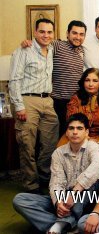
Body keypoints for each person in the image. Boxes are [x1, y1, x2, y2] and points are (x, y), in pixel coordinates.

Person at [13, 113, 99, 234]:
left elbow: (97, 167)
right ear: (66, 132)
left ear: (87, 132)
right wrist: (58, 202)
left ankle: (59, 225)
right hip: (66, 198)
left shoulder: (93, 147)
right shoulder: (58, 153)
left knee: (89, 186)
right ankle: (64, 224)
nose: (75, 132)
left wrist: (75, 193)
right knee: (20, 200)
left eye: (79, 128)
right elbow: (56, 181)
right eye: (71, 128)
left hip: (86, 197)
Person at [9, 18, 59, 193]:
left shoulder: (52, 49)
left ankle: (45, 179)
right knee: (27, 144)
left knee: (50, 143)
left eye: (49, 32)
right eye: (42, 31)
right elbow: (14, 80)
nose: (46, 35)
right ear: (35, 32)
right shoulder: (24, 50)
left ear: (53, 34)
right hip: (27, 100)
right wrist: (19, 106)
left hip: (47, 100)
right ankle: (31, 185)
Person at [20, 20, 89, 136]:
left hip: (75, 101)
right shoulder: (57, 45)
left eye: (81, 34)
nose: (78, 37)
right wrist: (28, 43)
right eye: (74, 33)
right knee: (56, 135)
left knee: (73, 135)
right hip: (57, 101)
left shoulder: (82, 50)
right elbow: (41, 45)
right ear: (67, 33)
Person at [58, 68, 99, 156]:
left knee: (91, 151)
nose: (90, 84)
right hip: (76, 134)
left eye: (95, 81)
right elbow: (71, 123)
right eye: (87, 80)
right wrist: (86, 139)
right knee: (60, 151)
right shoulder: (76, 98)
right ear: (83, 82)